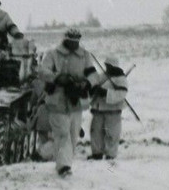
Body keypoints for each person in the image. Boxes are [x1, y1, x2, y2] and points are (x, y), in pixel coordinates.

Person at [37, 28, 94, 177]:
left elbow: (93, 74)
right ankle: (63, 166)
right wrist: (57, 78)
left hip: (76, 101)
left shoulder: (85, 56)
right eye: (71, 40)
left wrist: (86, 83)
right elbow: (42, 71)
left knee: (73, 135)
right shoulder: (53, 54)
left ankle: (66, 162)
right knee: (62, 134)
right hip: (57, 101)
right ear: (65, 39)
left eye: (77, 41)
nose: (74, 43)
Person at [87, 57, 130, 160]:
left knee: (112, 133)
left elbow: (121, 94)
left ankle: (111, 154)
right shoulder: (102, 76)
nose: (107, 67)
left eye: (109, 66)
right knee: (96, 132)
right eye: (106, 65)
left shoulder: (121, 79)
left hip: (113, 110)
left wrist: (105, 93)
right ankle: (97, 153)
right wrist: (93, 90)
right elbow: (93, 85)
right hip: (98, 108)